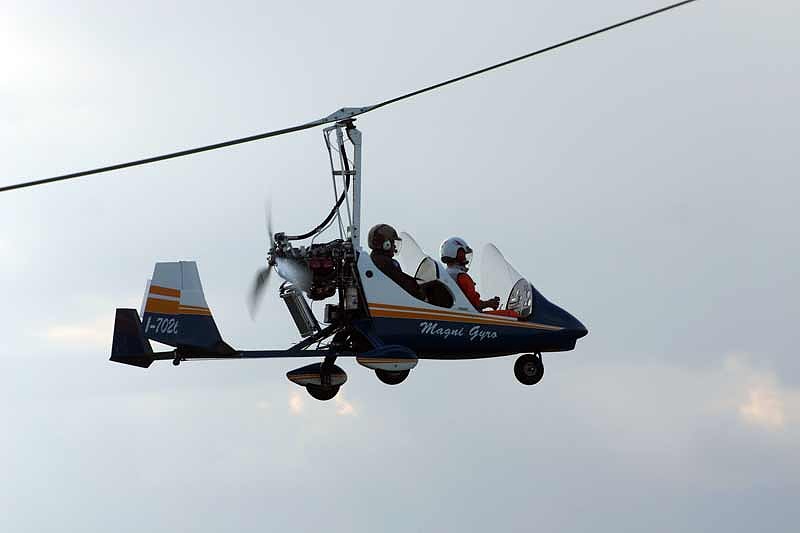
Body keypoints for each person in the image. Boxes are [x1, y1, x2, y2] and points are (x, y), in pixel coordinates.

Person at [440, 237, 518, 317]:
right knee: (512, 315)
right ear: (457, 253)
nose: (465, 258)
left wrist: (488, 303)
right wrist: (489, 303)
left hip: (456, 314)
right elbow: (474, 304)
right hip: (469, 316)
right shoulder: (461, 276)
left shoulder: (444, 275)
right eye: (463, 254)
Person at [368, 224, 424, 300]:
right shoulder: (386, 262)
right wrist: (419, 289)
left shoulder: (373, 259)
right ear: (386, 244)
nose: (394, 246)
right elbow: (403, 282)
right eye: (393, 243)